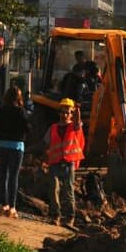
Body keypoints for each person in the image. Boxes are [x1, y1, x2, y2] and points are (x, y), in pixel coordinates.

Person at [43, 97, 86, 227]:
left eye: (67, 112)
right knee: (54, 189)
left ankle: (70, 217)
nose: (65, 114)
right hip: (55, 162)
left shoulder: (74, 126)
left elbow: (78, 121)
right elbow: (45, 143)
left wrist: (77, 109)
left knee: (68, 190)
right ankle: (55, 215)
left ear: (71, 114)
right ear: (59, 113)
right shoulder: (53, 128)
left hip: (69, 162)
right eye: (63, 112)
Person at [0, 85, 31, 217]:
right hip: (17, 146)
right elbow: (28, 128)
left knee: (4, 174)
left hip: (3, 145)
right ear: (19, 97)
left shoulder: (1, 110)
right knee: (13, 176)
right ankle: (12, 207)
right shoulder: (21, 111)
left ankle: (4, 204)